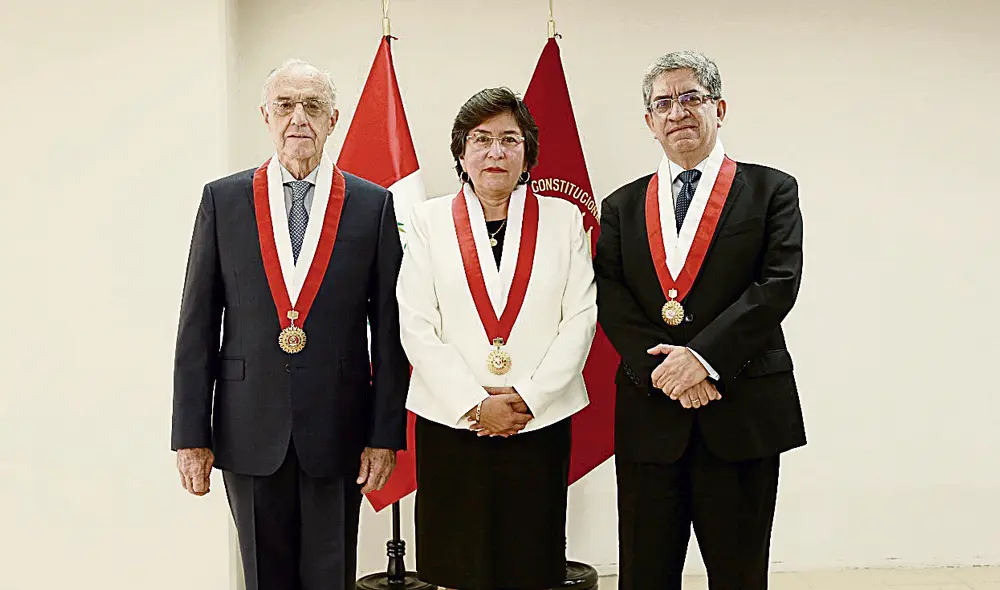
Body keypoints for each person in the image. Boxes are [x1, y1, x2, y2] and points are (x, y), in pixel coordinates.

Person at [171, 59, 410, 590]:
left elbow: (390, 335)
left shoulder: (372, 206)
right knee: (265, 578)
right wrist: (191, 435)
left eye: (313, 106)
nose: (299, 117)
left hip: (339, 429)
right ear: (265, 115)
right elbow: (197, 325)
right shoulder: (223, 199)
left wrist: (384, 434)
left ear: (334, 120)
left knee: (331, 576)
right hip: (246, 428)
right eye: (285, 105)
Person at [594, 51, 806, 589]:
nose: (678, 112)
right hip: (651, 412)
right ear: (649, 122)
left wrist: (702, 360)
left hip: (740, 408)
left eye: (691, 97)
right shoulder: (620, 206)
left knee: (739, 574)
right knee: (644, 574)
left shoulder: (771, 190)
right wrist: (669, 371)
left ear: (720, 107)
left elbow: (777, 285)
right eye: (662, 103)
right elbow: (611, 295)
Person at [396, 87, 597, 590]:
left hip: (537, 420)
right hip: (453, 422)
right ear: (461, 152)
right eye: (481, 139)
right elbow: (416, 322)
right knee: (455, 564)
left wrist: (527, 398)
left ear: (527, 151)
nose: (495, 152)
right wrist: (473, 403)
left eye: (510, 139)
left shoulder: (564, 219)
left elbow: (581, 317)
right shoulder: (427, 221)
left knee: (530, 562)